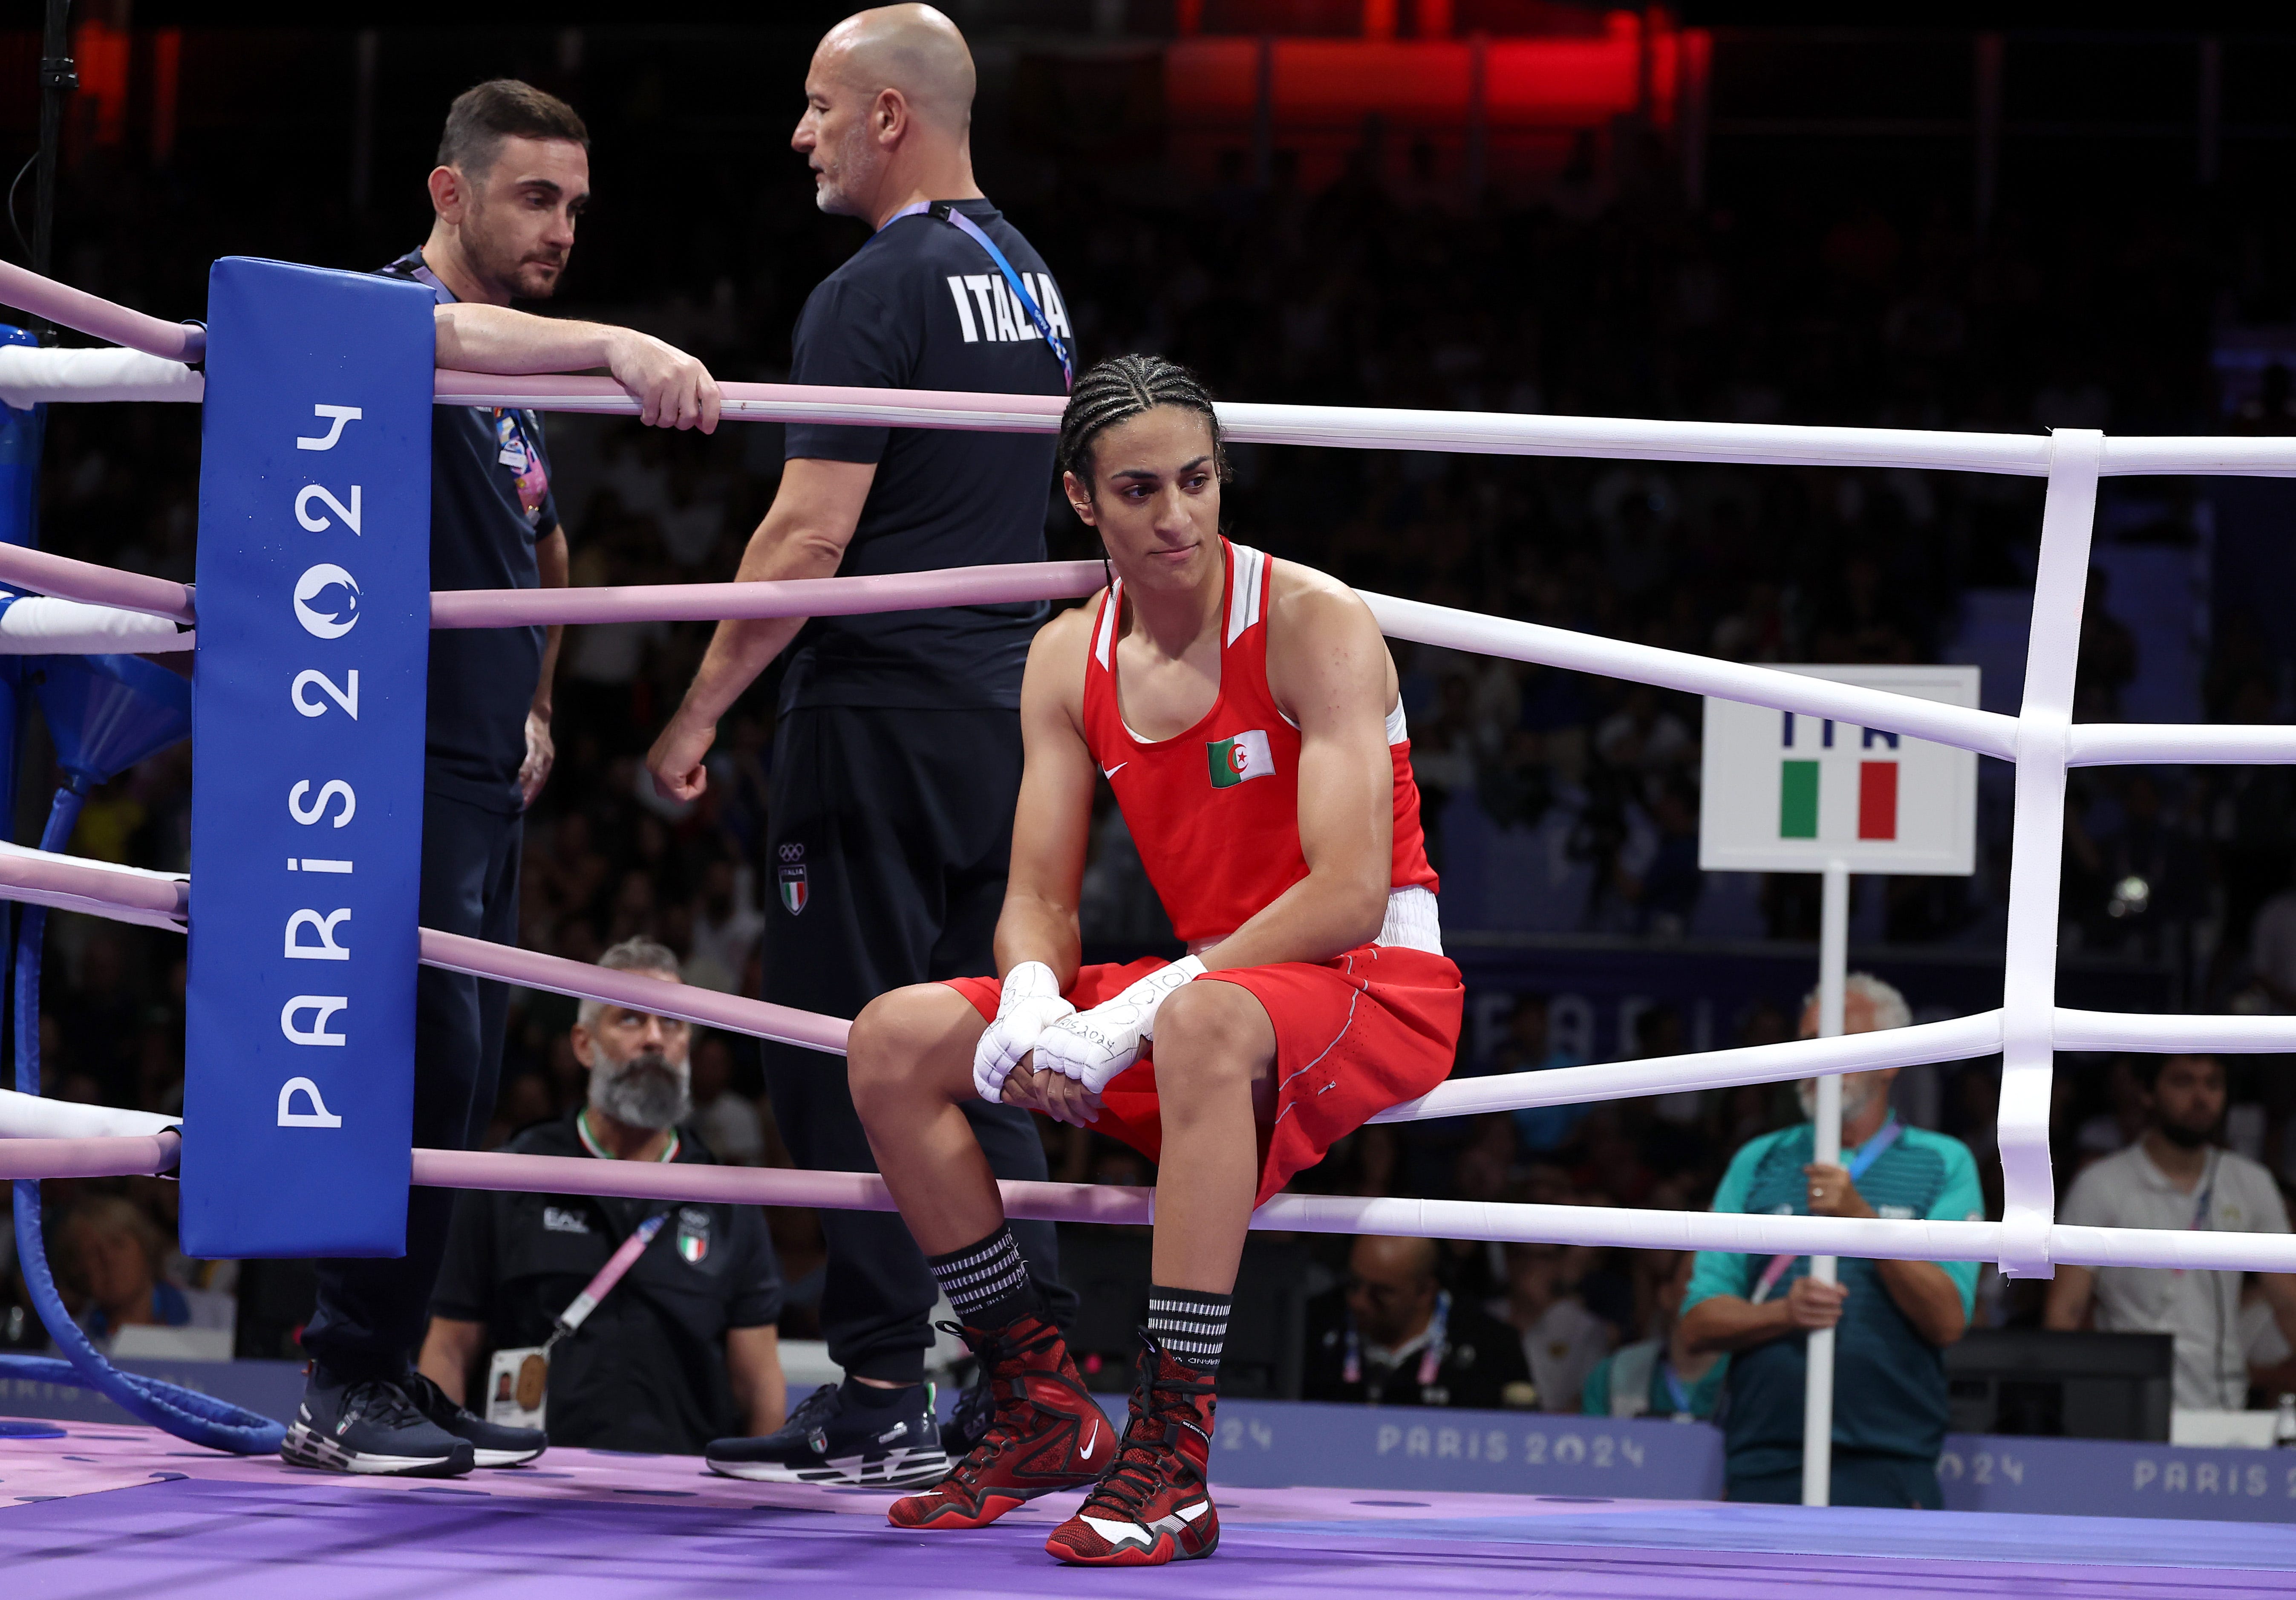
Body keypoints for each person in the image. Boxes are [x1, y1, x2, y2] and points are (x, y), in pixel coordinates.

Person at [840, 354, 1464, 1566]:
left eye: (1196, 480)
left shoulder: (1310, 620)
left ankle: (1173, 1457)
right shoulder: (1066, 656)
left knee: (1195, 1021)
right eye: (1138, 491)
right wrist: (1029, 996)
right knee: (892, 1039)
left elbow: (1344, 893)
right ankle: (1037, 1401)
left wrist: (1134, 1015)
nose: (1175, 516)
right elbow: (1034, 895)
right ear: (1082, 500)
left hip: (1369, 977)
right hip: (1216, 992)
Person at [643, 6, 1075, 1484]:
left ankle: (885, 1382)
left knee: (844, 1051)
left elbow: (810, 534)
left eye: (820, 105)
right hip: (1004, 723)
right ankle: (1035, 1383)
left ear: (890, 115)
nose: (799, 132)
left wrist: (696, 709)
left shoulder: (873, 286)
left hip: (878, 716)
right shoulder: (1031, 279)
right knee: (987, 1050)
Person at [285, 78, 723, 1479]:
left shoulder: (510, 396)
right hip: (385, 756)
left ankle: (385, 1375)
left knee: (454, 1080)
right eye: (535, 197)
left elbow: (542, 548)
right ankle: (341, 1374)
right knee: (406, 1066)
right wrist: (615, 342)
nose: (562, 228)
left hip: (481, 770)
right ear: (449, 193)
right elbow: (448, 329)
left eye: (577, 206)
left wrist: (537, 700)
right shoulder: (392, 317)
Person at [417, 940, 788, 1457]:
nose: (656, 1039)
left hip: (684, 1504)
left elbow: (760, 1384)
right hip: (523, 1495)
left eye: (674, 1023)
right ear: (584, 1043)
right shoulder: (511, 1175)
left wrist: (757, 1509)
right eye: (631, 1020)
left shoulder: (728, 1198)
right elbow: (450, 1347)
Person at [1677, 973, 1982, 1508]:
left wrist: (1860, 1219)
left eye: (1839, 1040)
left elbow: (1948, 1318)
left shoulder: (1943, 1162)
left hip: (1891, 1459)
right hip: (1764, 1456)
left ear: (1890, 1059)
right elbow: (1699, 1322)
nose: (1819, 1059)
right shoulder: (1758, 1160)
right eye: (1809, 1042)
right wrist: (1783, 1314)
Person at [2047, 1054, 2296, 1411]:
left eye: (2213, 1083)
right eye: (2183, 1081)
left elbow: (2289, 1305)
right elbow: (2064, 1316)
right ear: (2147, 1093)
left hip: (2223, 1403)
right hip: (2125, 1405)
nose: (2201, 1097)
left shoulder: (2252, 1183)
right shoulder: (2101, 1184)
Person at [1301, 1236, 1531, 1409]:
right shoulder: (1311, 1326)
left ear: (1425, 1292)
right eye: (1353, 1284)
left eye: (1380, 1293)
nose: (1358, 1302)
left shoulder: (1491, 1346)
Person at [60, 1195, 233, 1351]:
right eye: (92, 1253)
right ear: (78, 1269)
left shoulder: (219, 1316)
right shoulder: (67, 1342)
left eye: (118, 1244)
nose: (108, 1260)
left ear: (145, 1246)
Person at [1581, 1251, 1726, 1421]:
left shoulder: (1753, 1373)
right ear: (1666, 1294)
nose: (1707, 1291)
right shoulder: (1612, 1375)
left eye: (1720, 1280)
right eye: (1693, 1277)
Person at [1493, 1240, 1612, 1412]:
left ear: (1560, 1263)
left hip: (1558, 1433)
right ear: (1508, 1260)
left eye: (1543, 1258)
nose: (1530, 1266)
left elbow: (1590, 1400)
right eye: (1521, 1255)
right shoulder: (1486, 1317)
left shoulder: (1583, 1328)